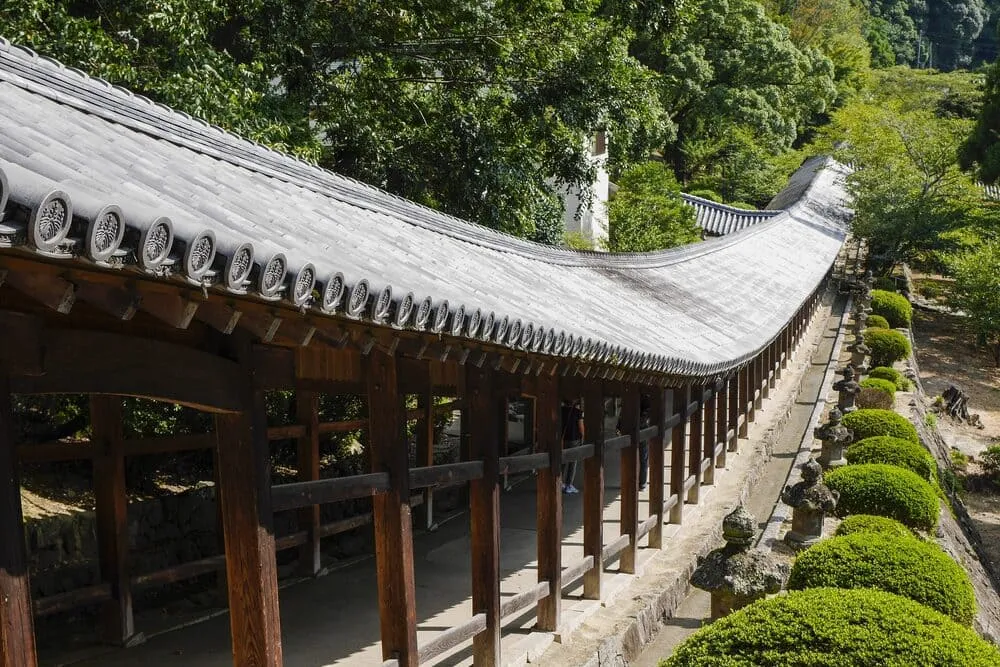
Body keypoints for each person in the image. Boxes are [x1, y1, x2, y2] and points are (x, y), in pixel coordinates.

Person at [560, 398, 584, 494]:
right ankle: (568, 485)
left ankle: (559, 483)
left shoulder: (560, 410)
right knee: (572, 463)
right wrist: (583, 438)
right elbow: (581, 427)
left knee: (562, 462)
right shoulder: (577, 412)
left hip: (561, 440)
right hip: (574, 439)